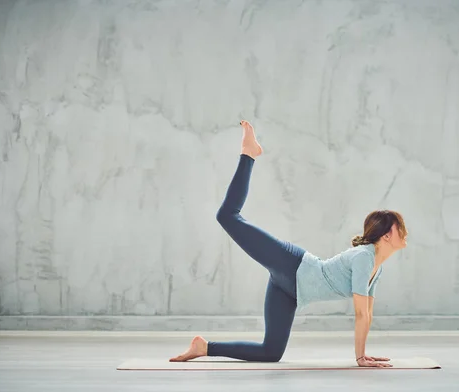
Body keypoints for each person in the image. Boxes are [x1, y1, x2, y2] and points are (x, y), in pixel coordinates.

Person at [170, 120, 408, 368]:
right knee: (227, 216)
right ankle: (249, 154)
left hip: (291, 291)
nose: (404, 232)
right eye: (399, 227)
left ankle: (204, 347)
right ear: (386, 236)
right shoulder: (364, 258)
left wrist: (364, 354)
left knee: (271, 352)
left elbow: (367, 315)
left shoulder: (375, 267)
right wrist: (359, 358)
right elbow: (359, 314)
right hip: (292, 265)